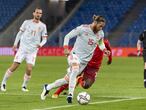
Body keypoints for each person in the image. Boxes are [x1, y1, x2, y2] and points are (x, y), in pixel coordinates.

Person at [41, 15, 110, 103]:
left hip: (85, 61)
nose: (101, 28)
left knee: (67, 80)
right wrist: (65, 48)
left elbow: (100, 43)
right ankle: (70, 95)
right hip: (74, 55)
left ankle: (47, 87)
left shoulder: (101, 33)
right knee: (75, 69)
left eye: (102, 27)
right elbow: (67, 36)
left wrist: (104, 50)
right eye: (100, 26)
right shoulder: (82, 28)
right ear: (95, 23)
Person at [0, 8, 48, 92]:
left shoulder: (43, 26)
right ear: (33, 13)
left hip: (32, 51)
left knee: (29, 69)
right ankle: (3, 83)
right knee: (14, 66)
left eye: (40, 13)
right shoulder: (26, 22)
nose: (38, 14)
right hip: (23, 48)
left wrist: (40, 44)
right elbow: (20, 33)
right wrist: (15, 44)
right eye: (37, 13)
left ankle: (24, 86)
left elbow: (44, 39)